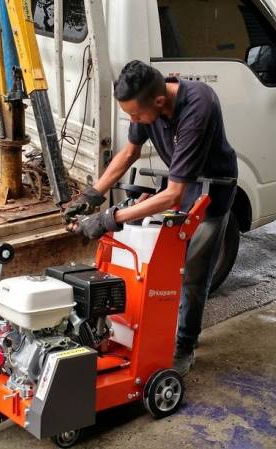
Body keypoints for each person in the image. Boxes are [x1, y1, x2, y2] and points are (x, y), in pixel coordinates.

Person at [63, 60, 238, 375]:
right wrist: (91, 197)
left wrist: (109, 219)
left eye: (135, 115)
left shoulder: (199, 105)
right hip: (182, 187)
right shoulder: (147, 103)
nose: (134, 121)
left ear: (159, 101)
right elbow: (128, 153)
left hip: (212, 194)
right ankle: (148, 335)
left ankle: (184, 346)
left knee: (192, 276)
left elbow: (172, 194)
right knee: (154, 271)